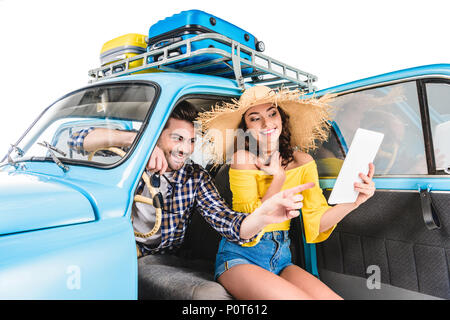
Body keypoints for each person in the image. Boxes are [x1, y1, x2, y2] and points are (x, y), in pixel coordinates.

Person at [67, 101, 312, 258]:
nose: (186, 149)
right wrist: (138, 143)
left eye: (192, 141)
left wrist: (263, 215)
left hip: (170, 256)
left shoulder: (195, 178)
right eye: (177, 138)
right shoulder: (128, 161)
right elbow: (73, 140)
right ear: (157, 136)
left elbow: (229, 223)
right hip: (124, 250)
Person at [197, 86, 376, 300]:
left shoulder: (303, 162)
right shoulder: (243, 159)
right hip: (242, 256)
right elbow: (251, 226)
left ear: (282, 118)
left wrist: (355, 202)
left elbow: (316, 222)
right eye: (255, 118)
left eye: (272, 113)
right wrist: (278, 178)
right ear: (246, 127)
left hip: (282, 258)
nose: (266, 123)